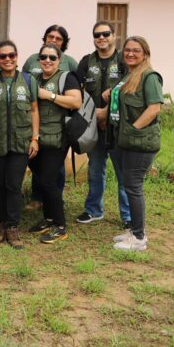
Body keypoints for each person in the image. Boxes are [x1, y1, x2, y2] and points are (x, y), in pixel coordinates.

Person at [0, 41, 40, 249]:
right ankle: (0, 225)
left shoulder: (28, 80)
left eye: (11, 55)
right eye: (3, 56)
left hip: (20, 141)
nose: (8, 59)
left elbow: (34, 110)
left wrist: (35, 138)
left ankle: (13, 227)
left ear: (17, 57)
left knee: (14, 186)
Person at [109, 36, 163, 251]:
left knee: (133, 187)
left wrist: (134, 129)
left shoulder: (150, 77)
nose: (130, 54)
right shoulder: (130, 76)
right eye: (127, 50)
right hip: (127, 140)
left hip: (139, 143)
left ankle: (139, 238)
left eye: (136, 50)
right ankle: (132, 230)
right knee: (129, 185)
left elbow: (154, 108)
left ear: (145, 54)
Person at [74, 21, 131, 227]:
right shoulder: (86, 62)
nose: (101, 38)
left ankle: (128, 217)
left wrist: (107, 112)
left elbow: (133, 86)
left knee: (122, 173)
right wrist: (94, 113)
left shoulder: (125, 59)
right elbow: (76, 91)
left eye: (105, 33)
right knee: (95, 170)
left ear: (114, 35)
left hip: (117, 126)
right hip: (93, 125)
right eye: (97, 35)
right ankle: (93, 210)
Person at [29, 43, 81, 244]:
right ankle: (48, 218)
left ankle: (60, 225)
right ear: (38, 59)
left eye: (52, 57)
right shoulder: (34, 78)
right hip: (37, 138)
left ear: (59, 60)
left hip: (58, 137)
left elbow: (76, 102)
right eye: (44, 57)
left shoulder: (67, 77)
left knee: (48, 182)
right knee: (41, 178)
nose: (47, 61)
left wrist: (48, 96)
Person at [24, 24, 77, 203]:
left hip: (58, 129)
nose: (47, 60)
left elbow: (77, 95)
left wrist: (50, 95)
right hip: (35, 124)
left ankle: (54, 200)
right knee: (37, 163)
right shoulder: (32, 61)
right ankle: (37, 198)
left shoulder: (69, 64)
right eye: (50, 37)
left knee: (54, 168)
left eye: (58, 38)